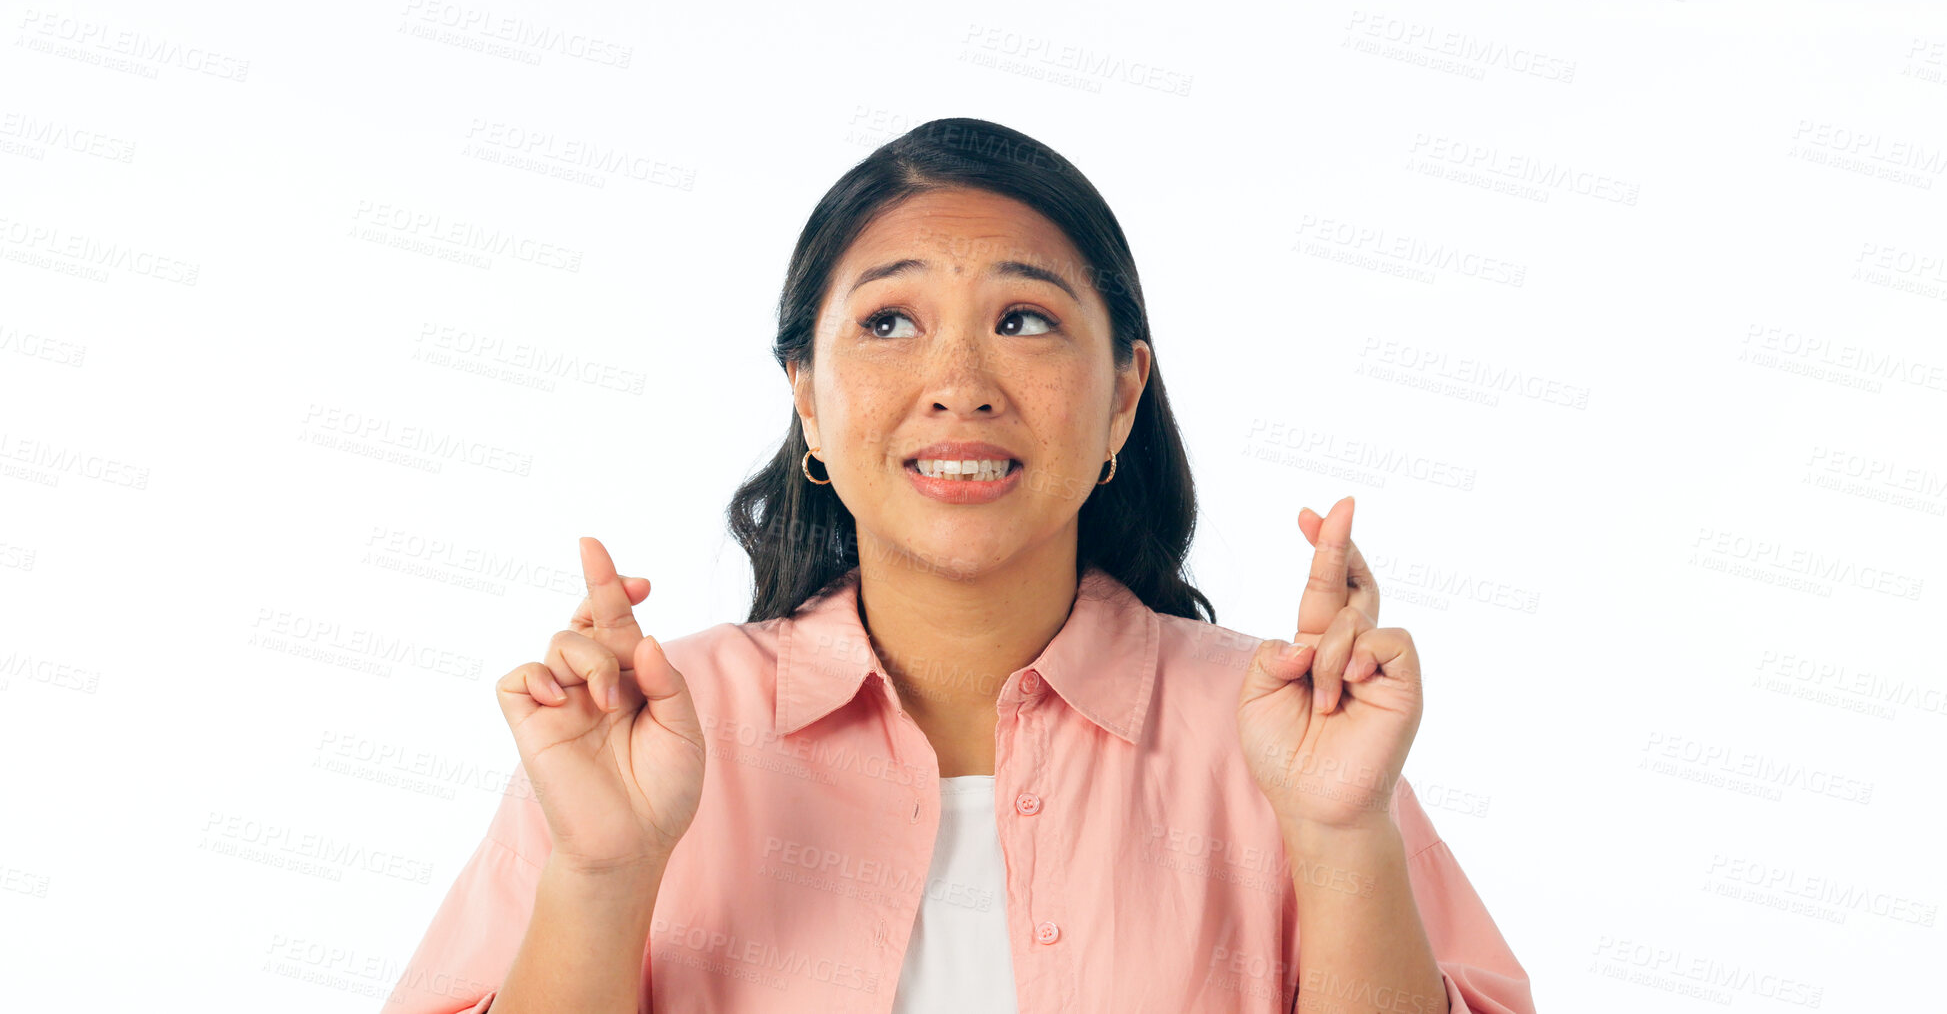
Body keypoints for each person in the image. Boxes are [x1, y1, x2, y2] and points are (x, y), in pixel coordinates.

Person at [383, 117, 1535, 1014]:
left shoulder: (1282, 730)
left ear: (1124, 392)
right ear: (810, 404)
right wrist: (601, 869)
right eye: (889, 323)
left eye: (1025, 319)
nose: (961, 381)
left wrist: (1340, 841)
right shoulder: (647, 733)